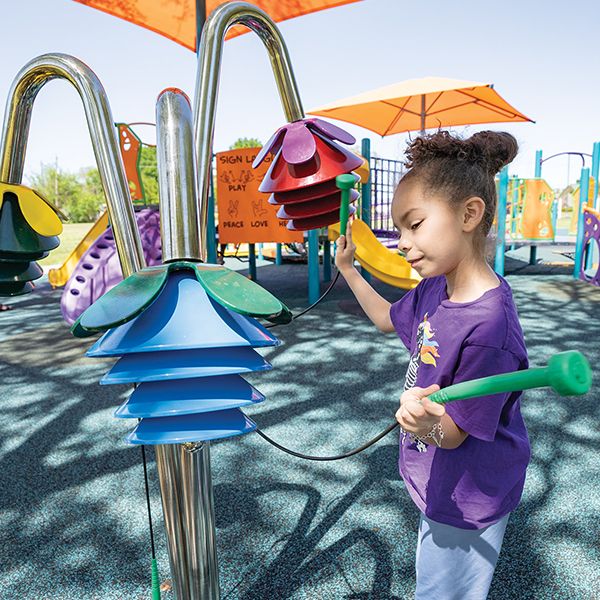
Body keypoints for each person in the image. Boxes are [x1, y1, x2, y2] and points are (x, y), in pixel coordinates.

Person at [334, 130, 530, 600]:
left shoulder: (490, 330)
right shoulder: (434, 287)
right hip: (439, 477)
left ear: (469, 214)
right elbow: (386, 319)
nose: (402, 243)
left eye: (414, 224)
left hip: (468, 495)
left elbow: (454, 433)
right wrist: (348, 270)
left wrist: (423, 423)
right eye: (400, 229)